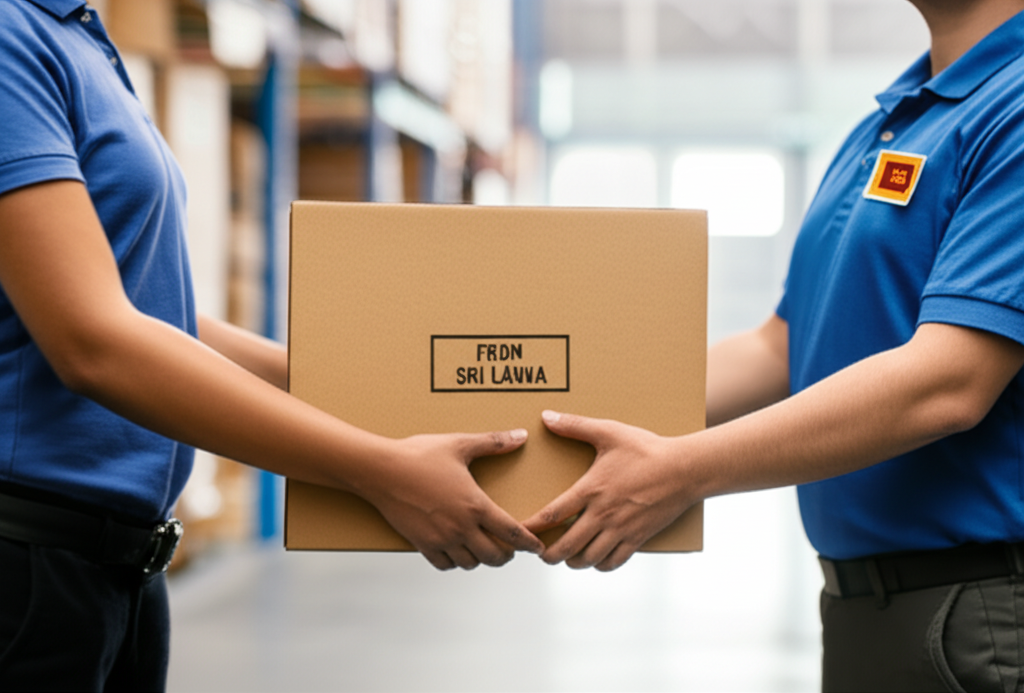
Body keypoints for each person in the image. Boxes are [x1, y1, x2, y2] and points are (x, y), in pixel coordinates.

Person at [0, 1, 544, 689]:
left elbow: (155, 313)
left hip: (118, 570)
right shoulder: (9, 35)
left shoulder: (75, 34)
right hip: (28, 567)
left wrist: (384, 395)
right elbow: (92, 340)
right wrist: (376, 468)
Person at [524, 0, 1024, 690]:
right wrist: (545, 418)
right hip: (866, 604)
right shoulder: (896, 119)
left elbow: (951, 381)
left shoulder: (1015, 105)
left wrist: (680, 470)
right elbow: (780, 346)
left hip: (982, 606)